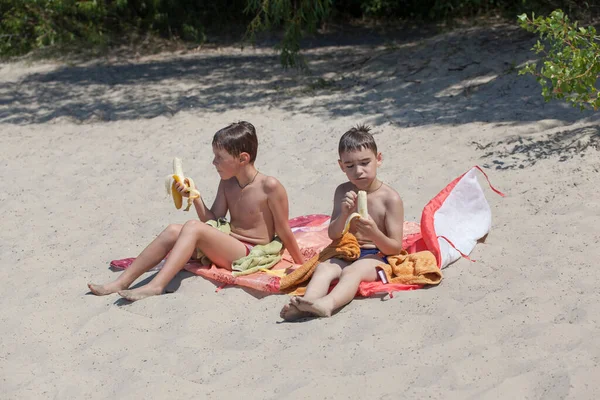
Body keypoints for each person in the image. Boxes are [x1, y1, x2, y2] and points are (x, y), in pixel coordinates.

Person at [88, 121, 304, 301]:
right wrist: (196, 196)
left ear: (243, 158)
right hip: (228, 242)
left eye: (220, 157)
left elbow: (284, 230)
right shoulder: (227, 183)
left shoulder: (270, 186)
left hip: (249, 252)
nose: (214, 162)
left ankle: (156, 286)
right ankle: (121, 282)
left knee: (192, 227)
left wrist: (302, 266)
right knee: (174, 230)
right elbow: (213, 220)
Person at [280, 125, 404, 320]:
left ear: (378, 159)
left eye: (365, 163)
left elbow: (395, 248)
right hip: (347, 250)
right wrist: (344, 214)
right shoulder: (342, 191)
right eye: (350, 166)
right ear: (341, 166)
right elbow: (334, 234)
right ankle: (307, 302)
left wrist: (374, 234)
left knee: (353, 272)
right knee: (325, 267)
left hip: (377, 255)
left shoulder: (390, 198)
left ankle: (328, 304)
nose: (358, 171)